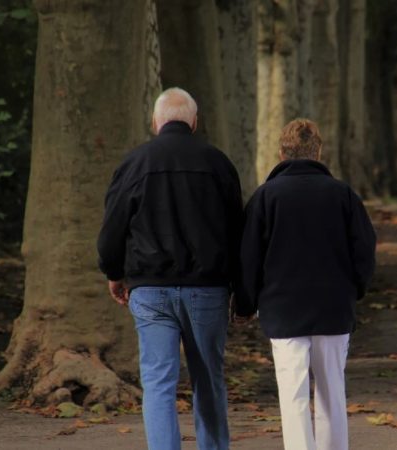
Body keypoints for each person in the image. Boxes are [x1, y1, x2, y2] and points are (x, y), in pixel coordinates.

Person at [97, 87, 243, 450]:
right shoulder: (218, 163)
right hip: (208, 287)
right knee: (208, 379)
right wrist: (241, 288)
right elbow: (237, 231)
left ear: (155, 122)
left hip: (150, 288)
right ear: (194, 122)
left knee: (158, 383)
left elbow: (112, 230)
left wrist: (114, 273)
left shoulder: (134, 163)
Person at [236, 119, 376, 450]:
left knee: (293, 396)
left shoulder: (265, 197)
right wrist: (356, 289)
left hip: (282, 308)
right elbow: (364, 250)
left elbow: (248, 256)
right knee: (332, 392)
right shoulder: (343, 195)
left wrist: (245, 303)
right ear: (319, 152)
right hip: (333, 306)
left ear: (281, 153)